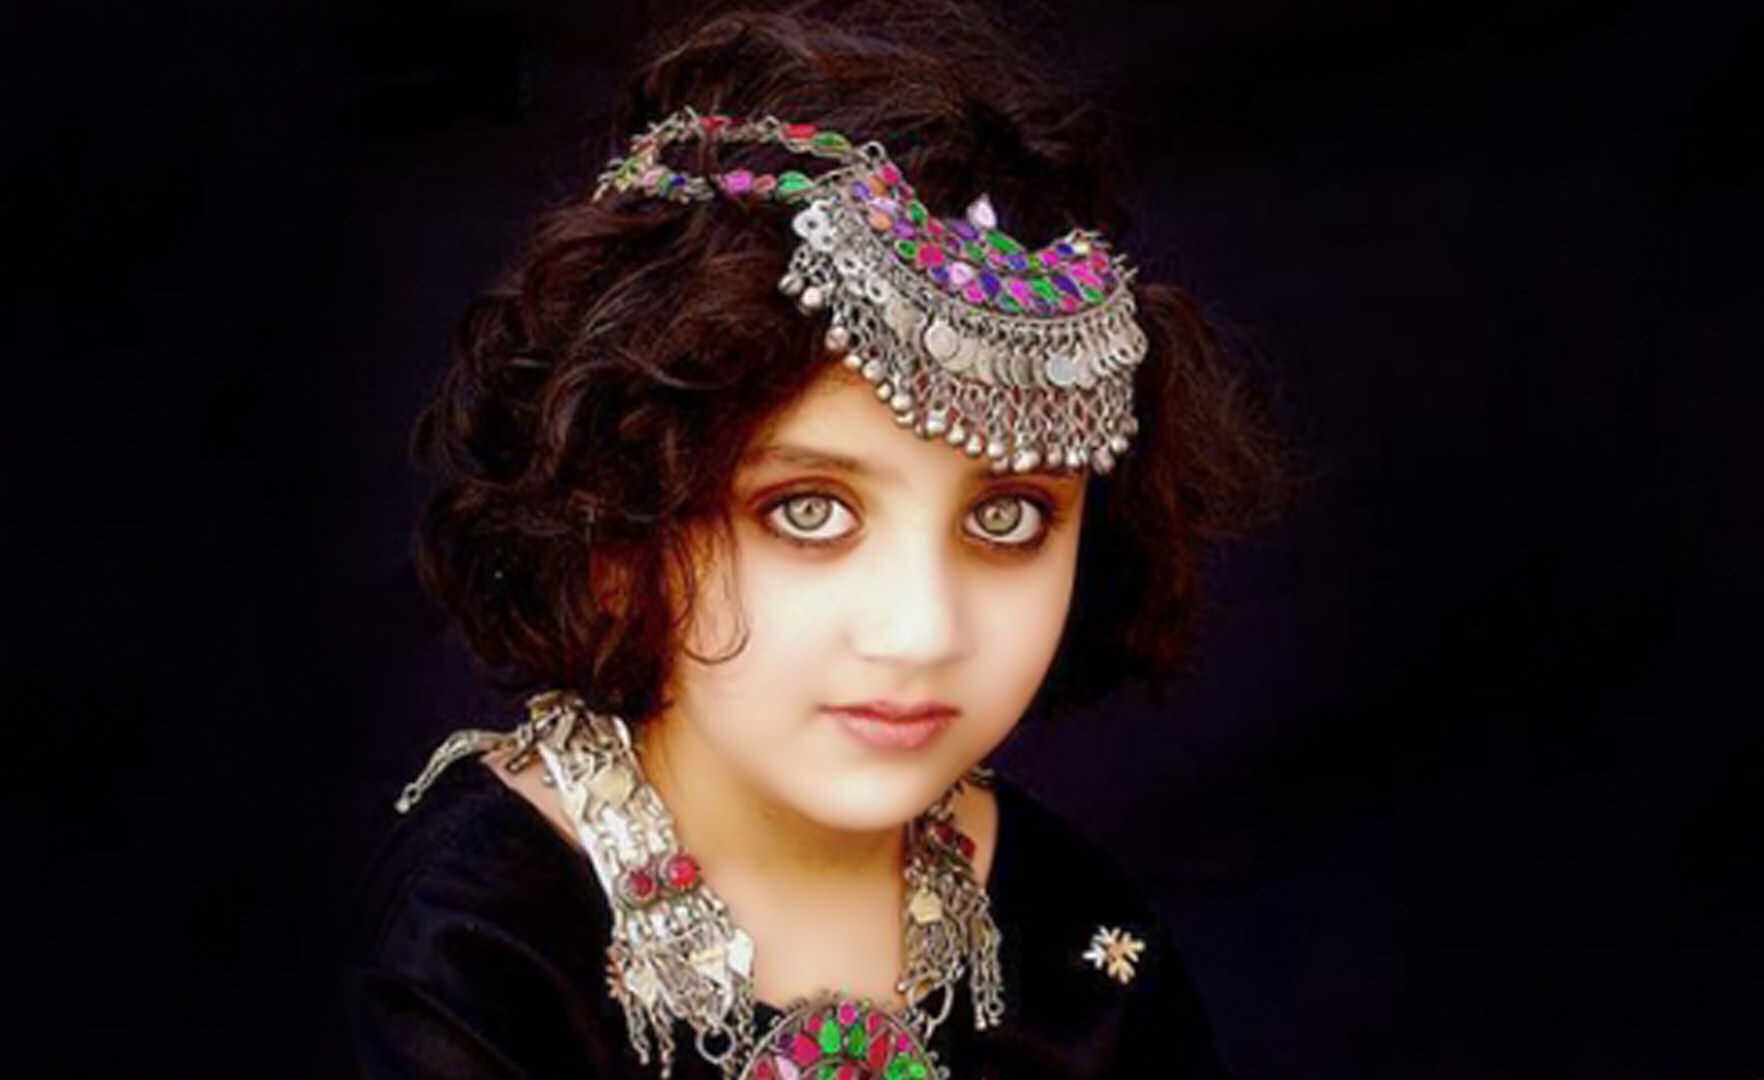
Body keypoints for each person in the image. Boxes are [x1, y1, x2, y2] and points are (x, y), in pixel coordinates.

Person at [348, 4, 1282, 1077]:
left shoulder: (1076, 945)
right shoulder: (488, 946)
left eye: (1006, 517)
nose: (922, 630)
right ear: (618, 525)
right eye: (809, 511)